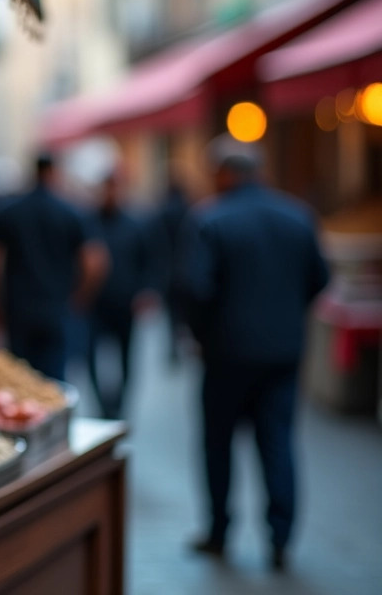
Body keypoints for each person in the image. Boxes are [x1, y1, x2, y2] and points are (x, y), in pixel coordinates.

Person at [178, 137, 329, 571]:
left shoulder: (210, 218)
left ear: (223, 172)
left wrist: (203, 335)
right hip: (283, 352)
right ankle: (280, 538)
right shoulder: (297, 216)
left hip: (227, 354)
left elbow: (195, 288)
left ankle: (219, 530)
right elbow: (319, 279)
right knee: (278, 442)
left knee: (218, 445)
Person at [0, 153, 107, 381]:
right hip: (55, 307)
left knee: (19, 377)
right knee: (54, 376)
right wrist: (80, 298)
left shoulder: (9, 212)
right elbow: (95, 262)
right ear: (54, 173)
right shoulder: (71, 213)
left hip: (18, 307)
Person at [87, 171, 157, 419]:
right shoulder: (88, 222)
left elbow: (150, 261)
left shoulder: (136, 224)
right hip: (94, 303)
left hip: (126, 301)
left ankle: (119, 404)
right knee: (90, 356)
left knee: (127, 357)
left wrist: (147, 291)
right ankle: (103, 403)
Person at [154, 175, 192, 364]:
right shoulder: (189, 210)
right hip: (185, 265)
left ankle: (173, 345)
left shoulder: (163, 211)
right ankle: (183, 338)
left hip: (168, 268)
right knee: (183, 310)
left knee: (171, 313)